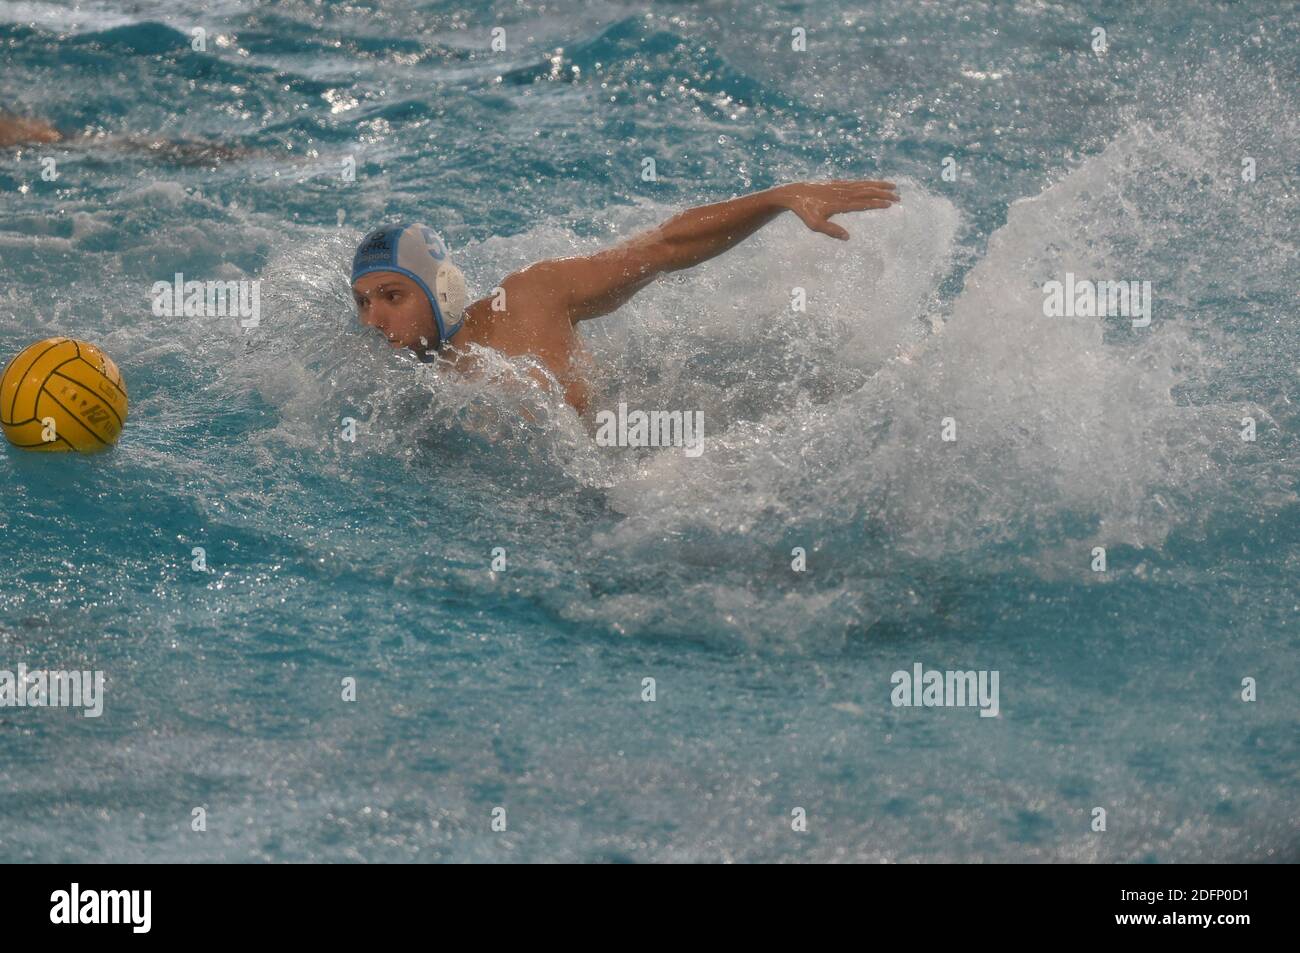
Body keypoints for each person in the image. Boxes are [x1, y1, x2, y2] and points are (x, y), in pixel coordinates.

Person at [351, 179, 899, 413]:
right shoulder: (398, 395)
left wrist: (778, 198)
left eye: (392, 296)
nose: (374, 319)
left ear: (441, 290)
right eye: (363, 302)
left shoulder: (530, 298)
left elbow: (661, 246)